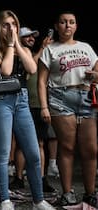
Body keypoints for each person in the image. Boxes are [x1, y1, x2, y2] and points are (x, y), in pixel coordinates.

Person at [0, 10, 55, 210]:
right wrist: (10, 45)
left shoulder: (22, 48)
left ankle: (38, 200)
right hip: (0, 102)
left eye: (13, 24)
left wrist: (18, 46)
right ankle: (4, 200)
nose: (11, 28)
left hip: (21, 101)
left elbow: (32, 69)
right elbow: (5, 71)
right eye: (6, 25)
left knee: (33, 153)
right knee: (3, 154)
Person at [38, 11, 98, 208]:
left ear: (76, 26)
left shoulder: (86, 48)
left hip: (86, 97)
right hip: (60, 97)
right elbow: (41, 81)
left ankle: (90, 193)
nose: (67, 25)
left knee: (90, 150)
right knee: (68, 147)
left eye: (71, 22)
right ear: (57, 26)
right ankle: (68, 192)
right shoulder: (50, 49)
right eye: (63, 22)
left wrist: (95, 74)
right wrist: (44, 106)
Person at [9, 27, 56, 193]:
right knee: (22, 144)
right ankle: (19, 178)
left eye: (32, 37)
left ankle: (42, 179)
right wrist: (42, 47)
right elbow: (31, 69)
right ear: (18, 38)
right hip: (25, 104)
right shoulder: (21, 55)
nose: (31, 39)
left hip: (39, 105)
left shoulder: (38, 54)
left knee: (41, 143)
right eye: (27, 36)